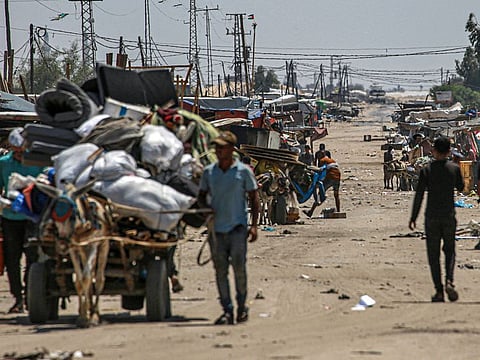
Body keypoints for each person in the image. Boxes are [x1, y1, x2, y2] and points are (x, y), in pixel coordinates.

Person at [198, 130, 260, 325]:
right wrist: (206, 211)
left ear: (232, 149)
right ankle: (227, 309)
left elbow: (254, 198)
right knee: (220, 272)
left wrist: (255, 226)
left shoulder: (243, 172)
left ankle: (242, 306)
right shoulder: (209, 172)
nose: (218, 151)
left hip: (238, 229)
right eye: (216, 147)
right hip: (216, 231)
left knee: (239, 269)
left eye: (222, 147)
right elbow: (201, 196)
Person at [409, 136, 464, 303]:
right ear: (448, 151)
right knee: (450, 250)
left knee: (433, 255)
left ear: (433, 151)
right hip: (449, 216)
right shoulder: (453, 169)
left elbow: (419, 195)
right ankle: (449, 281)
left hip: (431, 217)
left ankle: (439, 291)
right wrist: (457, 165)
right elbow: (461, 188)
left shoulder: (427, 170)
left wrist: (413, 217)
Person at [0, 128, 44, 313]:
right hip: (11, 217)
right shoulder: (3, 163)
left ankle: (30, 296)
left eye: (22, 150)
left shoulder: (38, 161)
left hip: (33, 217)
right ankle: (18, 298)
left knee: (33, 257)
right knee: (12, 259)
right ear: (10, 148)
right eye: (16, 151)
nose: (19, 154)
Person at [305, 149, 341, 217]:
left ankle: (311, 212)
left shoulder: (322, 160)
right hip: (337, 177)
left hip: (330, 177)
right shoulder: (332, 160)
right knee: (336, 195)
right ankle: (338, 211)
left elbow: (320, 170)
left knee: (320, 194)